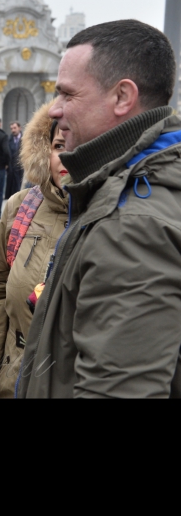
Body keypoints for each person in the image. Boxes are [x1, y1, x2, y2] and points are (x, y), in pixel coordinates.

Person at [20, 20, 181, 399]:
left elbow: (119, 389)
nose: (54, 110)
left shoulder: (132, 224)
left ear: (123, 97)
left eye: (67, 95)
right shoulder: (126, 190)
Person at [0, 103, 69, 399]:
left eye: (81, 145)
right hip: (13, 384)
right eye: (59, 145)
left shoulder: (120, 220)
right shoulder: (22, 207)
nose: (68, 157)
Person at [5, 122, 25, 198]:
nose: (13, 130)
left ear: (19, 128)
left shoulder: (25, 139)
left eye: (15, 128)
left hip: (21, 168)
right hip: (11, 168)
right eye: (11, 128)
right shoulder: (8, 140)